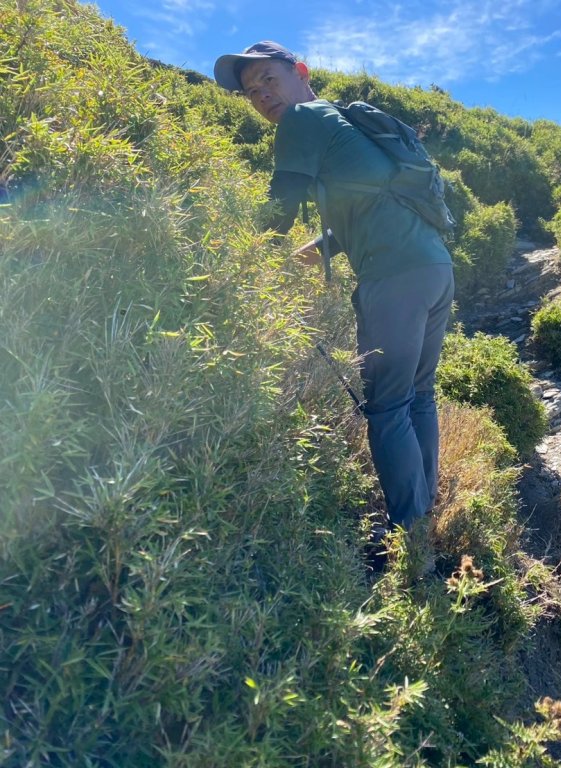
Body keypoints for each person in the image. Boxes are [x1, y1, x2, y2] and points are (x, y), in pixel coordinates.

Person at [214, 41, 455, 537]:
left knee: (388, 406)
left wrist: (230, 262)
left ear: (300, 71)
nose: (260, 94)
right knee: (417, 393)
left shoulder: (301, 122)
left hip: (392, 280)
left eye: (267, 79)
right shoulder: (339, 121)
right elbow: (362, 208)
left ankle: (410, 535)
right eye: (249, 91)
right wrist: (309, 253)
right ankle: (425, 505)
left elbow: (276, 214)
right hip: (434, 268)